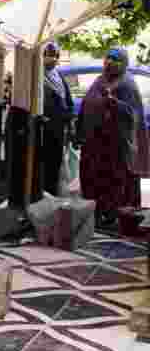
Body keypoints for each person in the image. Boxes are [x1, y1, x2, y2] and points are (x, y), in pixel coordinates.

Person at [75, 47, 148, 228]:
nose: (109, 62)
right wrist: (79, 131)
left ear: (123, 63)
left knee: (115, 184)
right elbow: (86, 106)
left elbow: (134, 115)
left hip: (116, 148)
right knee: (93, 180)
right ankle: (97, 214)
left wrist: (115, 104)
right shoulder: (99, 81)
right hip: (94, 145)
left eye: (115, 59)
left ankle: (116, 216)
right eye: (108, 58)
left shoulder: (127, 84)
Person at [40, 42, 73, 196]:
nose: (52, 58)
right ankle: (45, 196)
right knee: (45, 165)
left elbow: (67, 100)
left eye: (55, 55)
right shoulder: (37, 77)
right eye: (48, 54)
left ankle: (52, 195)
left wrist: (69, 121)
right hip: (44, 130)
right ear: (42, 55)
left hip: (59, 129)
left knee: (55, 164)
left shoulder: (58, 76)